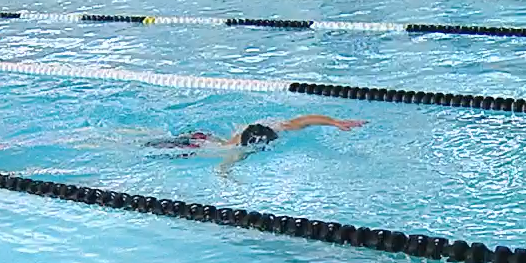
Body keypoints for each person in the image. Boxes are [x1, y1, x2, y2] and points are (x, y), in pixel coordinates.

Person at [146, 115, 366, 173]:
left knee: (149, 138)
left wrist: (335, 122)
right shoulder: (240, 151)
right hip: (193, 149)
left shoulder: (265, 127)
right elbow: (221, 169)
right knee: (145, 146)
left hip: (201, 137)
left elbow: (305, 120)